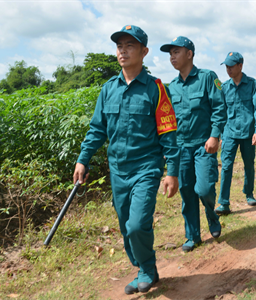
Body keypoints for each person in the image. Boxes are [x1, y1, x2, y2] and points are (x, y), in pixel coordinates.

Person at [73, 25, 180, 295]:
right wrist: (82, 160)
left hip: (146, 167)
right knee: (125, 227)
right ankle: (142, 266)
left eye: (130, 45)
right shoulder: (108, 89)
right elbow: (97, 129)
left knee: (136, 224)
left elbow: (168, 132)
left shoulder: (156, 89)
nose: (123, 50)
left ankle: (147, 269)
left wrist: (172, 171)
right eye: (119, 45)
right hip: (118, 171)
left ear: (144, 52)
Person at [160, 36, 227, 252]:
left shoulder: (207, 78)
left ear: (189, 53)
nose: (172, 57)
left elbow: (219, 107)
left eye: (176, 52)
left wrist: (215, 135)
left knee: (204, 188)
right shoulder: (172, 86)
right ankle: (193, 236)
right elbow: (168, 120)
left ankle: (211, 216)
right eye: (170, 53)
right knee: (187, 191)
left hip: (203, 145)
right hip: (181, 147)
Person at [215, 52, 256, 216]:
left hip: (248, 133)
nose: (228, 69)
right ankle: (224, 202)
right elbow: (221, 112)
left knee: (249, 165)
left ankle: (249, 194)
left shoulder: (253, 85)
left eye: (231, 66)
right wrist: (219, 135)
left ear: (240, 66)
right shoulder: (224, 87)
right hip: (229, 133)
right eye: (226, 66)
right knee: (226, 166)